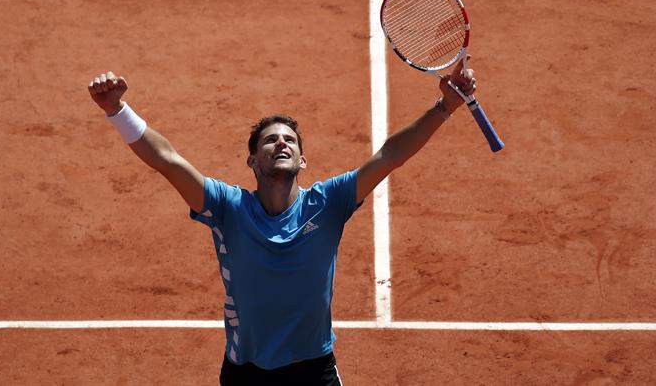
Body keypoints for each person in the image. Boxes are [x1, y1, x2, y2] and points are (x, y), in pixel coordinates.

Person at [88, 63, 476, 385]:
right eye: (270, 140)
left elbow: (389, 155)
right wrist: (116, 110)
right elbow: (169, 161)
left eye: (290, 140)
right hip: (247, 373)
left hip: (314, 369)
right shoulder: (227, 207)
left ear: (302, 161)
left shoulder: (328, 203)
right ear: (252, 161)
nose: (281, 143)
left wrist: (444, 107)